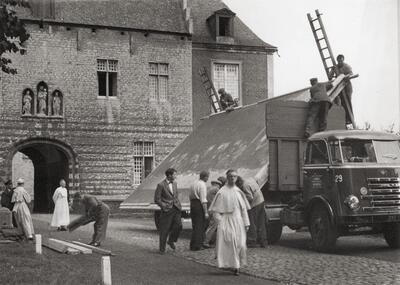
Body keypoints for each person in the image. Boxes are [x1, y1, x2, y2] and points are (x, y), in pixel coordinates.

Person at [209, 169, 250, 276]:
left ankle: (236, 264)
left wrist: (246, 223)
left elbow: (243, 209)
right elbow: (216, 211)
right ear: (227, 177)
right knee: (231, 243)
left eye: (235, 176)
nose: (233, 178)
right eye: (231, 176)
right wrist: (220, 222)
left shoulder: (238, 191)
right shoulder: (222, 192)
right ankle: (236, 266)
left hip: (238, 221)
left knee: (241, 244)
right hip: (226, 221)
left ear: (237, 178)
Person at [154, 167, 182, 254]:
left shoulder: (175, 184)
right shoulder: (160, 185)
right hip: (167, 210)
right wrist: (164, 206)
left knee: (179, 226)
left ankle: (171, 240)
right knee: (164, 229)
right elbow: (157, 199)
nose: (176, 176)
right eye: (174, 174)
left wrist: (178, 204)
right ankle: (162, 249)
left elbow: (175, 196)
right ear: (169, 175)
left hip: (176, 208)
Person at [237, 177, 267, 248]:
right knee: (261, 223)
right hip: (261, 201)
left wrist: (243, 204)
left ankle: (252, 241)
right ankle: (264, 241)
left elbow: (250, 198)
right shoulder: (250, 180)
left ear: (239, 183)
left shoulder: (245, 186)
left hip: (255, 204)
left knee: (252, 223)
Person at [330, 54, 354, 128]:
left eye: (341, 60)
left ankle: (350, 118)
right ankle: (344, 119)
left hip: (347, 86)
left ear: (343, 60)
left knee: (348, 102)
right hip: (339, 87)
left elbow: (351, 73)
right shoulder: (336, 67)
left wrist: (345, 76)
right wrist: (332, 70)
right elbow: (330, 77)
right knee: (342, 103)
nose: (340, 62)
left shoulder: (346, 66)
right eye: (339, 60)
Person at [189, 170, 209, 251]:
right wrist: (206, 212)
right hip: (199, 205)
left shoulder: (193, 183)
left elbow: (190, 195)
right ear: (205, 177)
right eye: (207, 177)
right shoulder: (202, 185)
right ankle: (197, 245)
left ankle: (193, 244)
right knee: (200, 225)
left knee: (195, 225)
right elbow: (203, 199)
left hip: (192, 204)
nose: (208, 179)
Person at [203, 176, 226, 248]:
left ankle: (208, 241)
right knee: (213, 226)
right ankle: (205, 242)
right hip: (215, 210)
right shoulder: (216, 189)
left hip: (210, 209)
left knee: (212, 226)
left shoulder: (210, 188)